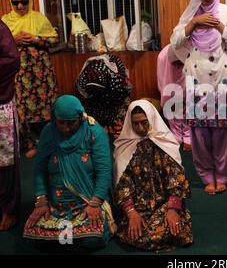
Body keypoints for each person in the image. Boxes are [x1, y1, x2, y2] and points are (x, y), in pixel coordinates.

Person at [170, 0, 227, 195]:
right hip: (196, 77)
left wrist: (220, 27)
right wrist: (194, 23)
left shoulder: (225, 11)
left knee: (223, 131)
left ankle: (221, 175)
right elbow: (175, 42)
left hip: (221, 77)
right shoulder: (191, 12)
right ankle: (205, 175)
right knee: (199, 132)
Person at [23, 95, 115, 249]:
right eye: (61, 122)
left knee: (92, 240)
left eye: (72, 123)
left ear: (80, 117)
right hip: (56, 203)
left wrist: (95, 203)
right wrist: (41, 200)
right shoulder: (49, 132)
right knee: (35, 237)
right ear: (54, 118)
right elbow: (40, 169)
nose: (66, 128)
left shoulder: (94, 132)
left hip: (87, 199)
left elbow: (104, 171)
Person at [113, 100, 193, 252]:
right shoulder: (125, 147)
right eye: (135, 124)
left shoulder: (164, 142)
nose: (140, 128)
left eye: (144, 122)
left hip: (164, 205)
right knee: (136, 232)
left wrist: (172, 210)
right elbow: (122, 184)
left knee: (173, 229)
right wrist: (131, 213)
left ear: (152, 119)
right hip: (137, 207)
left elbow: (176, 179)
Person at [2, 0, 58, 159]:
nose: (20, 6)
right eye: (15, 2)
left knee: (46, 107)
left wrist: (35, 39)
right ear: (11, 3)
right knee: (23, 110)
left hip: (41, 73)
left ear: (29, 1)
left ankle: (49, 143)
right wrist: (14, 39)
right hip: (18, 74)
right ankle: (30, 144)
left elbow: (54, 40)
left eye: (24, 2)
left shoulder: (39, 18)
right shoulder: (4, 21)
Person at [76, 54, 132, 141]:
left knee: (118, 133)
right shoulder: (84, 80)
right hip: (93, 103)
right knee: (95, 133)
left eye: (99, 89)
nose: (97, 91)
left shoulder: (117, 84)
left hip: (116, 101)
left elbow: (120, 101)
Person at [0, 20, 21, 231]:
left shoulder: (0, 28)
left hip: (0, 103)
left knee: (4, 160)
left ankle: (10, 209)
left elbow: (13, 60)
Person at [157, 44, 191, 151]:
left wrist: (187, 136)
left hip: (190, 68)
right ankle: (176, 134)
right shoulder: (163, 56)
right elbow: (163, 84)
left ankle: (187, 136)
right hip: (168, 72)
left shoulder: (195, 51)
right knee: (170, 101)